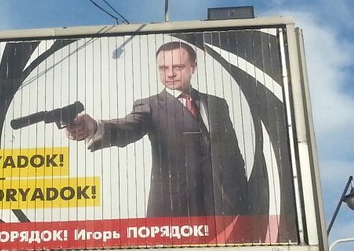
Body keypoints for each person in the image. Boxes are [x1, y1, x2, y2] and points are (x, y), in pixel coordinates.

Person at [65, 40, 250, 217]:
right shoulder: (149, 106)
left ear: (193, 67)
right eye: (163, 68)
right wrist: (96, 126)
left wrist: (242, 199)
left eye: (178, 67)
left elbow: (233, 154)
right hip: (173, 211)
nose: (170, 74)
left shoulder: (217, 104)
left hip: (224, 210)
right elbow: (128, 126)